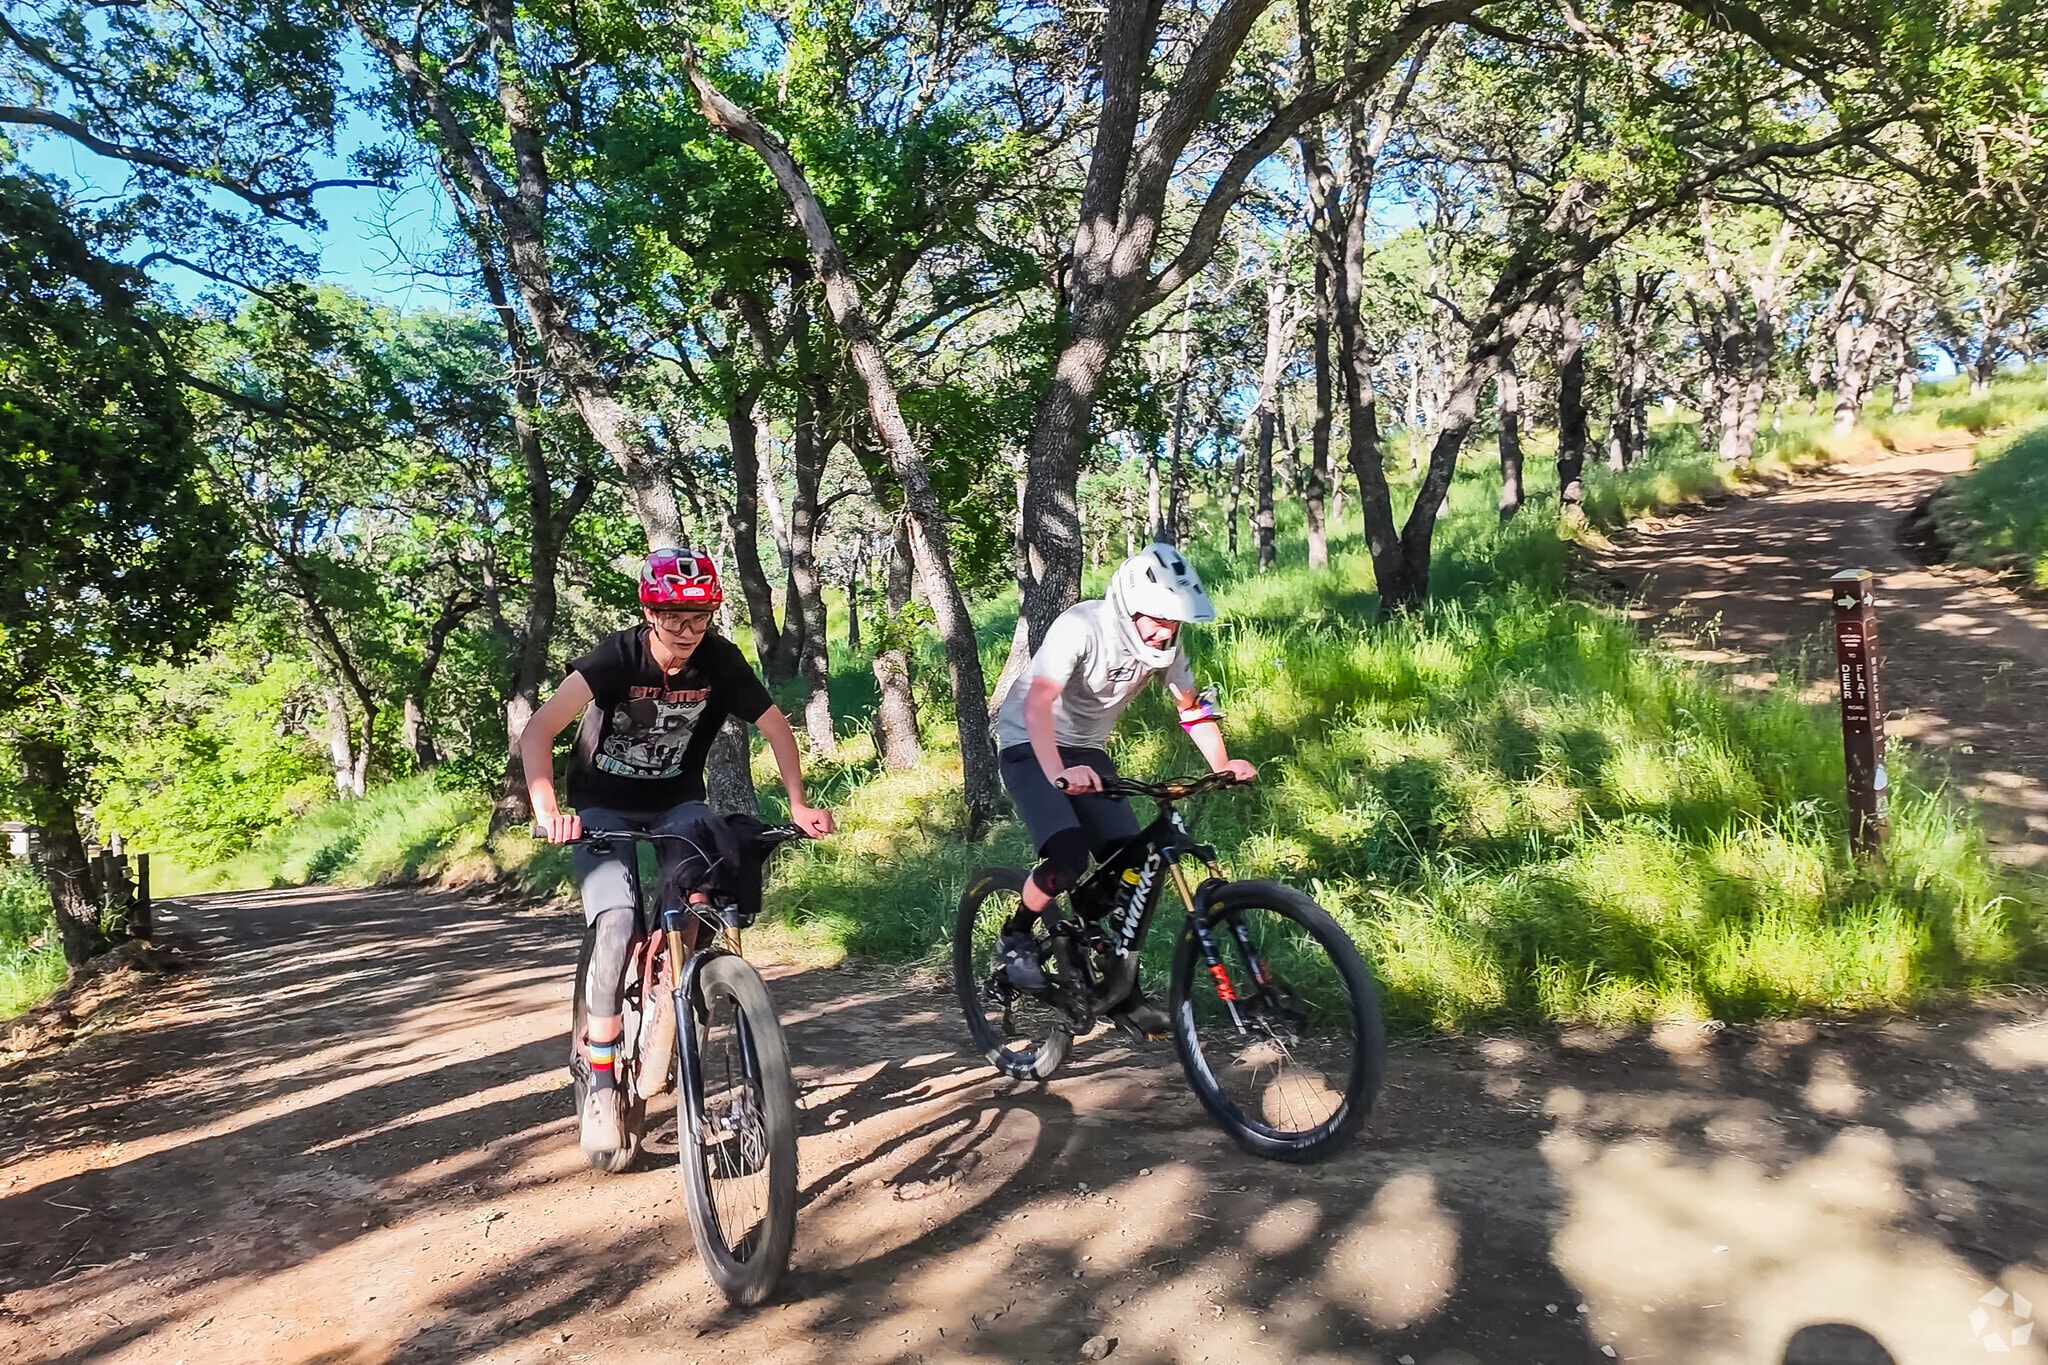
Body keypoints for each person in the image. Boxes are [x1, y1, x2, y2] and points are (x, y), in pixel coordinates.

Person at [523, 547, 834, 1159]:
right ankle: (603, 1082)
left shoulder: (719, 661)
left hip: (677, 805)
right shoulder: (617, 656)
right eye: (673, 617)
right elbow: (540, 729)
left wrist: (798, 803)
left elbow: (775, 727)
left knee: (706, 880)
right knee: (614, 920)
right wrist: (547, 812)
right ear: (649, 610)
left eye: (700, 616)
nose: (687, 631)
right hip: (601, 810)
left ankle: (683, 989)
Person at [992, 542, 1256, 1035]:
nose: (1164, 631)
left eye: (1173, 622)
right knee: (1068, 856)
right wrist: (1057, 773)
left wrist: (1223, 763)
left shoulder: (1168, 649)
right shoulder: (1081, 626)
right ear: (1127, 605)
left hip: (1087, 751)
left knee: (1129, 865)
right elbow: (1039, 703)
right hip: (1030, 743)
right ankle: (1015, 936)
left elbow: (1190, 707)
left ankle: (1113, 983)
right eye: (1155, 619)